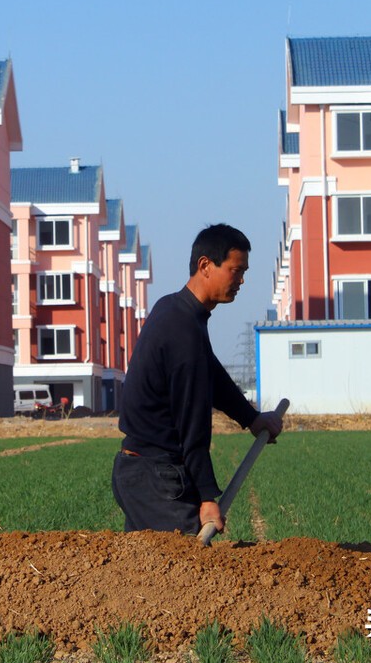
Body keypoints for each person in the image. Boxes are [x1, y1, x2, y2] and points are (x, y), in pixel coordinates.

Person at [112, 223, 282, 535]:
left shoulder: (176, 310)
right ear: (205, 265)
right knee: (186, 561)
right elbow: (192, 422)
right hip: (156, 476)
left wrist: (252, 418)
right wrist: (206, 497)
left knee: (148, 565)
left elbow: (213, 376)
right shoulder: (183, 329)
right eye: (235, 271)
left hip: (140, 472)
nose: (241, 281)